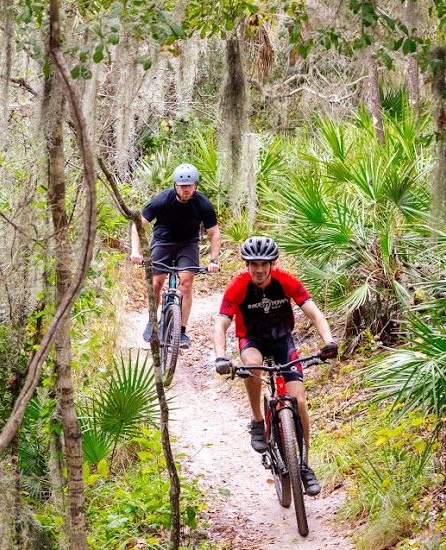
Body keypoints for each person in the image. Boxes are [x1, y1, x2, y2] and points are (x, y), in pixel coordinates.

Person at [212, 236, 338, 496]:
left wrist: (329, 342)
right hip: (252, 340)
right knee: (253, 365)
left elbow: (314, 312)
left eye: (264, 264)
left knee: (299, 402)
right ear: (246, 265)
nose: (258, 270)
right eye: (253, 264)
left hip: (283, 340)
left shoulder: (286, 281)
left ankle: (303, 464)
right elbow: (222, 323)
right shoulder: (238, 286)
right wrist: (221, 357)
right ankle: (258, 421)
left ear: (273, 264)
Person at [130, 163, 221, 349]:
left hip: (188, 244)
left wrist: (214, 261)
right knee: (156, 281)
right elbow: (138, 224)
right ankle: (152, 323)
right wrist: (135, 252)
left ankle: (181, 331)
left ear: (195, 186)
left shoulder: (202, 203)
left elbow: (215, 233)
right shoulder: (162, 199)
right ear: (175, 185)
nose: (185, 190)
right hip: (163, 242)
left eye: (189, 186)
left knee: (186, 283)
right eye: (182, 186)